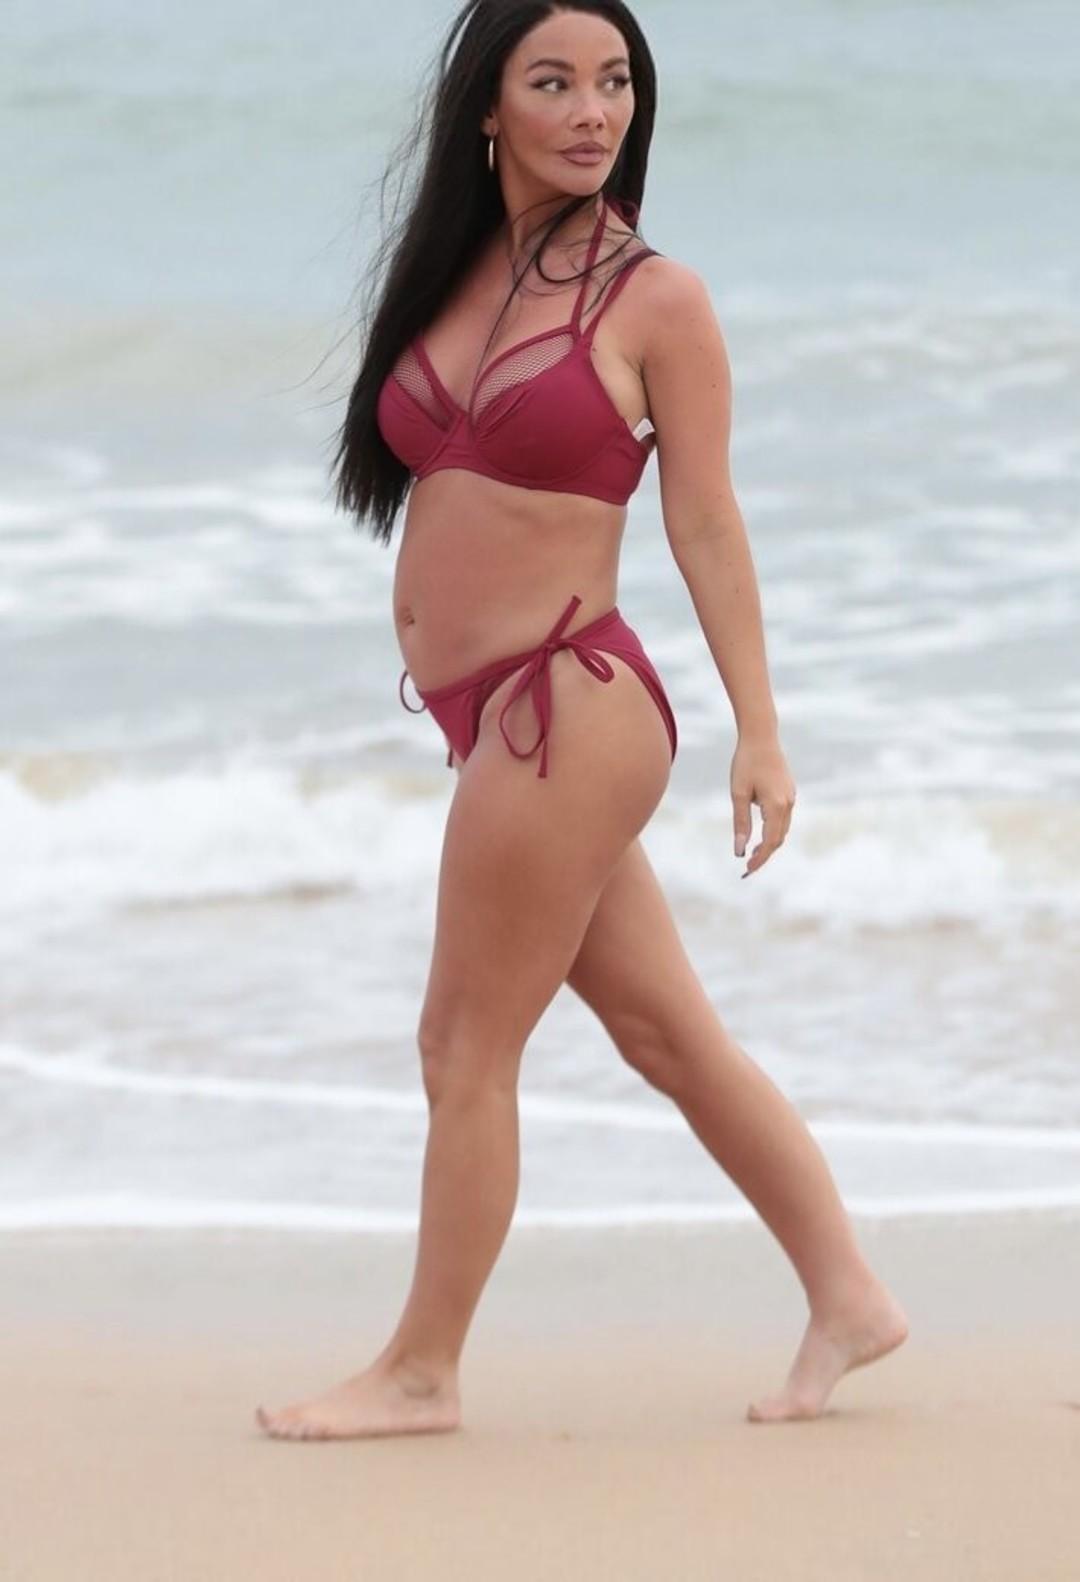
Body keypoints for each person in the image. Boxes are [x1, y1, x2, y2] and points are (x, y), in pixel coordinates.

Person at [256, 0, 908, 1442]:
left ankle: (422, 1371)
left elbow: (707, 520)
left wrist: (760, 731)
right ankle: (849, 1294)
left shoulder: (657, 300)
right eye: (553, 82)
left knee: (461, 1046)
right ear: (489, 109)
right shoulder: (453, 271)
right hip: (493, 718)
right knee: (667, 1034)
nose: (592, 110)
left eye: (614, 82)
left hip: (568, 705)